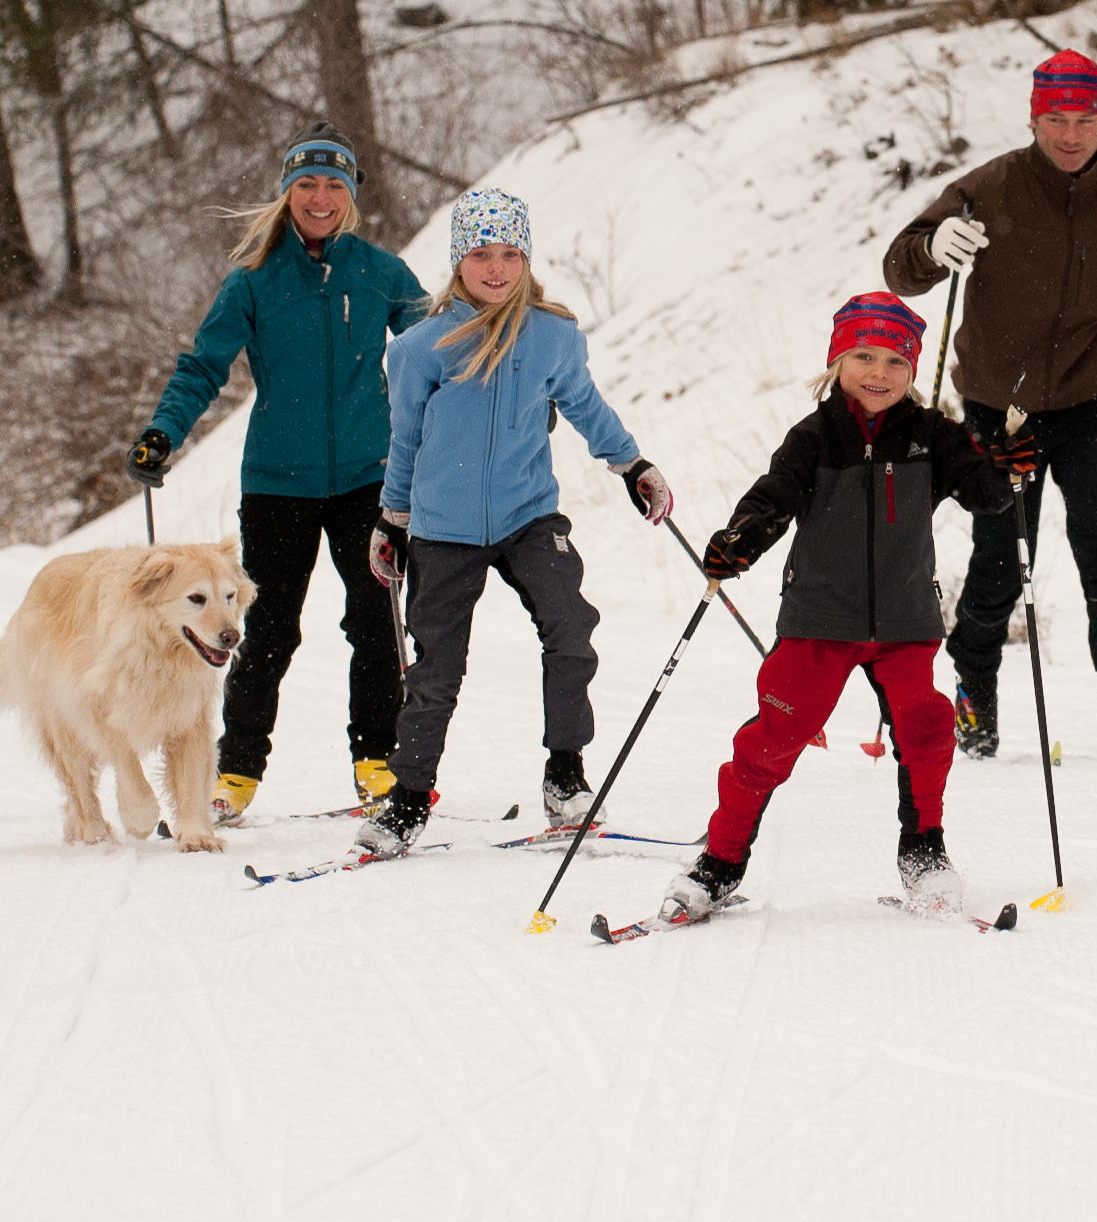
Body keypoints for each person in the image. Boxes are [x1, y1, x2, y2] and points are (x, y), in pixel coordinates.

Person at [659, 294, 1027, 921]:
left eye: (893, 360)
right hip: (820, 619)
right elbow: (773, 496)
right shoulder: (814, 436)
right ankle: (720, 862)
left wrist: (1011, 467)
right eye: (862, 356)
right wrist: (738, 541)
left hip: (906, 619)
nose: (877, 373)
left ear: (912, 370)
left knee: (926, 731)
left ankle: (924, 854)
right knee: (770, 742)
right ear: (836, 361)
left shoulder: (932, 435)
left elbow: (984, 493)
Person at [885, 49, 1097, 760]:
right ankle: (975, 687)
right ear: (1034, 117)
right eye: (1056, 119)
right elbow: (901, 266)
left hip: (1094, 398)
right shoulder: (986, 188)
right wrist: (935, 245)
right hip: (998, 405)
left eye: (1085, 119)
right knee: (1000, 557)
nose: (1070, 134)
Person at [352, 189, 672, 858]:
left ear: (524, 257)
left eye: (509, 254)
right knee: (437, 668)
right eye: (480, 254)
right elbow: (404, 438)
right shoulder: (420, 348)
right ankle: (407, 802)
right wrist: (392, 519)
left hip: (530, 516)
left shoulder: (552, 334)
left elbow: (585, 405)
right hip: (444, 528)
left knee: (572, 631)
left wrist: (633, 464)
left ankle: (565, 774)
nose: (495, 269)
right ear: (457, 261)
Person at [125, 123, 428, 821]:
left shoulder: (381, 273)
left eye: (334, 184)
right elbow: (204, 364)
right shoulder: (254, 281)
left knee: (376, 623)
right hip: (276, 486)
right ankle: (234, 775)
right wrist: (162, 431)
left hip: (369, 482)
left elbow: (437, 353)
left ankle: (376, 761)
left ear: (350, 195)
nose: (320, 197)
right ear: (288, 191)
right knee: (263, 632)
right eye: (307, 183)